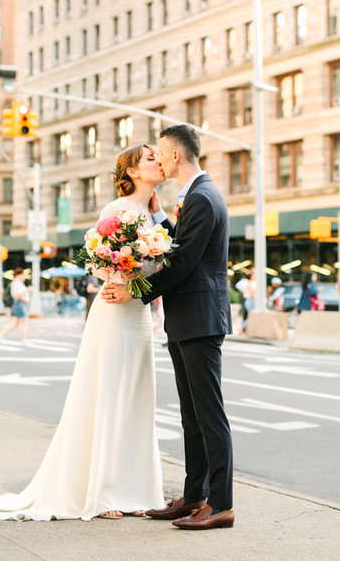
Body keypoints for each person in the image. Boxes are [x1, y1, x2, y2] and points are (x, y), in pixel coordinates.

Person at [0, 144, 165, 521]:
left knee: (136, 396)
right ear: (132, 171)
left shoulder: (154, 216)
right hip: (114, 308)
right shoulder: (116, 212)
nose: (160, 161)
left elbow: (163, 262)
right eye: (150, 157)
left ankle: (135, 489)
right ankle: (101, 492)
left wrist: (143, 271)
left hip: (138, 313)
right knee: (108, 393)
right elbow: (101, 265)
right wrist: (124, 268)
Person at [102, 124, 235, 530]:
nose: (158, 159)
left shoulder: (203, 197)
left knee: (209, 415)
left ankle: (221, 503)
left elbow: (182, 263)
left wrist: (134, 292)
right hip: (186, 319)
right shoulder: (194, 196)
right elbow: (180, 245)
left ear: (176, 156)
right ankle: (194, 495)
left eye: (160, 152)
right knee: (191, 416)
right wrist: (159, 214)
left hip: (199, 319)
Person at [0, 269, 31, 344]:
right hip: (20, 303)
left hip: (19, 304)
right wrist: (27, 290)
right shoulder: (16, 283)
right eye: (23, 275)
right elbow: (15, 296)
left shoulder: (18, 283)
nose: (24, 277)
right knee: (23, 322)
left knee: (15, 323)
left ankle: (2, 334)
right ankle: (24, 340)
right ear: (18, 275)